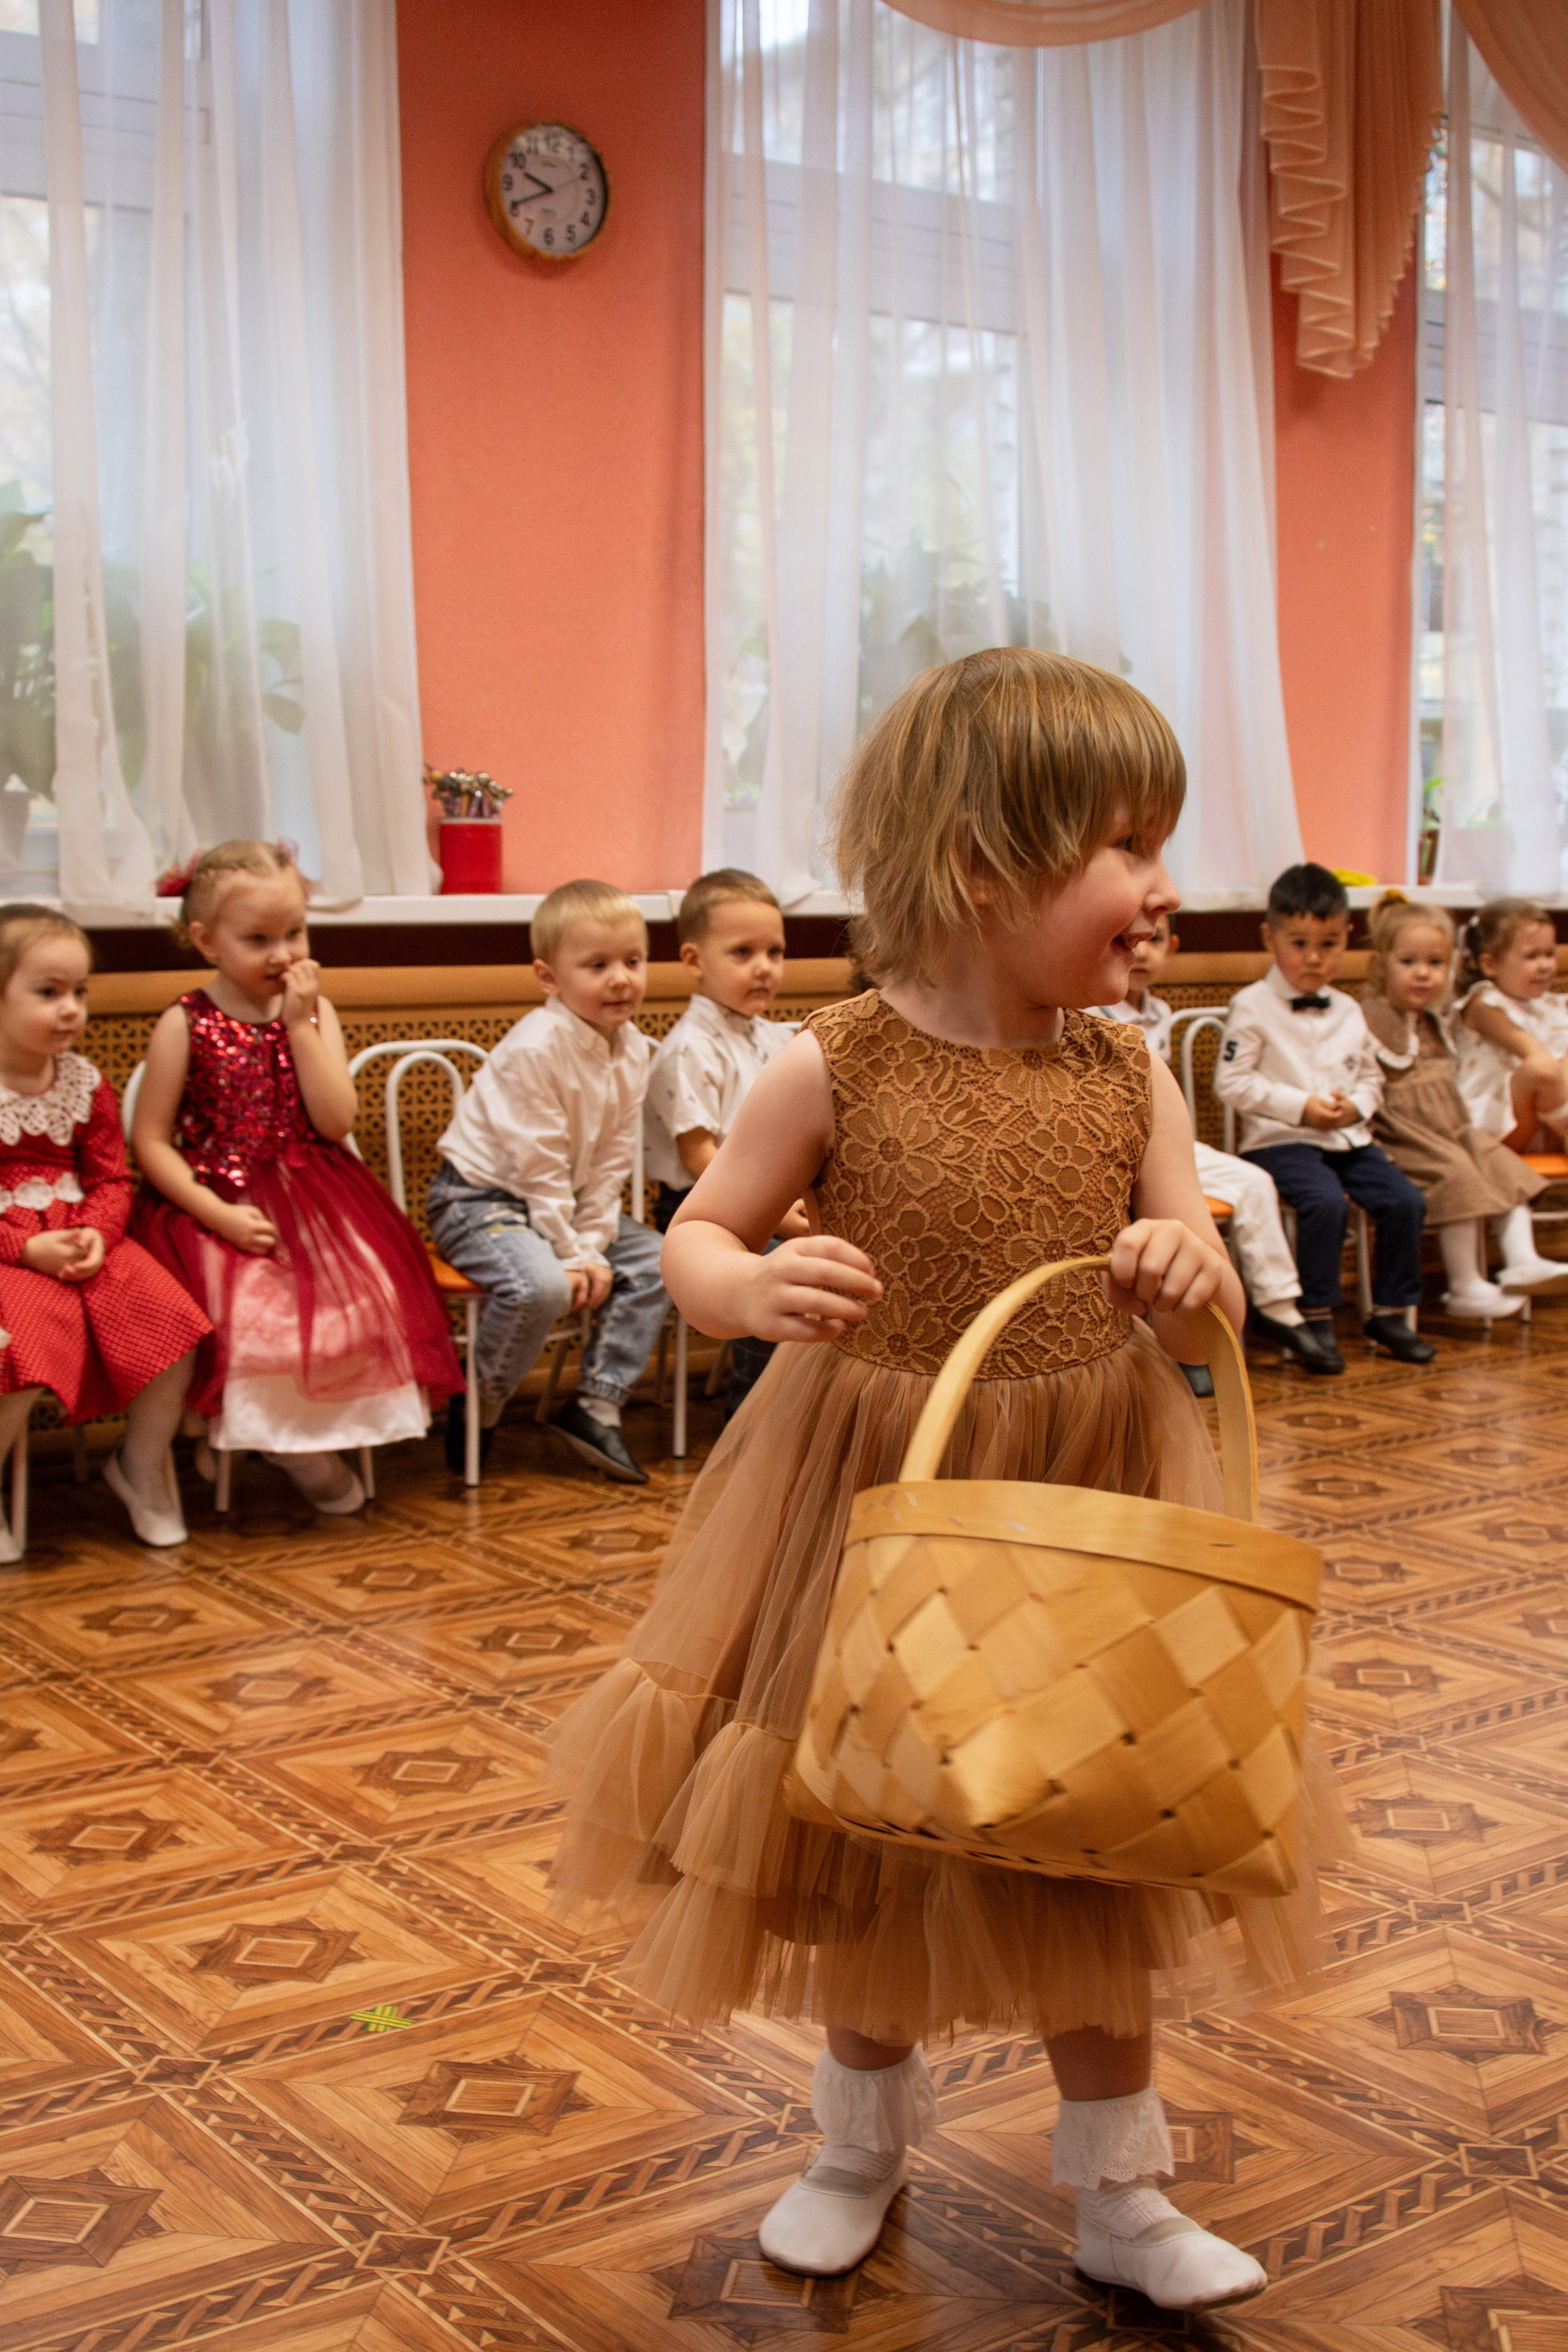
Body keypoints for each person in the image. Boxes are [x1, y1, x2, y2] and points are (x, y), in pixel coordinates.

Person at [550, 650, 1341, 2315]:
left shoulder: (1130, 1071)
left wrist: (1175, 1258)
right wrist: (747, 1291)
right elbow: (696, 1233)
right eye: (1125, 848)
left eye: (1159, 843)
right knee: (870, 1816)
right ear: (986, 867)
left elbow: (1203, 1273)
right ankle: (854, 2145)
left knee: (1093, 1829)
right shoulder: (829, 1063)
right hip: (871, 1490)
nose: (1160, 886)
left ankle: (1120, 2191)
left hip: (1087, 1488)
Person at [132, 842, 461, 1514]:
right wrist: (213, 1211)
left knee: (367, 1305)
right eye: (258, 939)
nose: (283, 953)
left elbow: (337, 1119)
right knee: (258, 1317)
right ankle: (285, 1447)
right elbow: (150, 1141)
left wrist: (300, 1030)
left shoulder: (315, 1013)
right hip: (211, 1203)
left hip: (317, 1198)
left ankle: (273, 1437)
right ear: (206, 942)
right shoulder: (184, 1022)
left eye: (295, 933)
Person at [428, 878, 666, 1485]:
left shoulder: (635, 1048)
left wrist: (589, 1246)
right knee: (541, 1288)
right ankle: (479, 1402)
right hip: (478, 1201)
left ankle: (595, 1404)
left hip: (565, 1204)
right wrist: (570, 1255)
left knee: (664, 1261)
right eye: (597, 965)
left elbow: (613, 1159)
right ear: (548, 977)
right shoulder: (537, 1047)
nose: (621, 979)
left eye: (633, 961)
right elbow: (539, 1165)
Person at [0, 905, 211, 1555]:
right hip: (10, 1251)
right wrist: (23, 1246)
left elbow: (113, 1178)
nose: (71, 1009)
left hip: (81, 1239)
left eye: (80, 992)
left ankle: (142, 1465)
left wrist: (97, 1233)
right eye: (48, 993)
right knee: (22, 1346)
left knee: (173, 1323)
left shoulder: (84, 1083)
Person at [1214, 864, 1434, 1370]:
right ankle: (1315, 1316)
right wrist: (1301, 1107)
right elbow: (1231, 1083)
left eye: (1329, 945)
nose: (1314, 958)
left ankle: (1390, 1312)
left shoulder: (1348, 1009)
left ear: (1347, 940)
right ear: (1270, 937)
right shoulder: (1251, 1005)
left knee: (1405, 1201)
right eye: (1299, 944)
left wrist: (1355, 1106)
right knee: (1325, 1204)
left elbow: (1372, 1079)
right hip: (1279, 1141)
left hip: (1347, 1138)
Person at [1099, 911, 1338, 1374]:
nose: (1143, 952)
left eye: (1155, 940)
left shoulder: (1161, 1013)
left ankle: (1277, 1305)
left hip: (1171, 1141)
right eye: (1125, 939)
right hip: (1128, 1144)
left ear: (1173, 947)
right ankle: (1184, 1346)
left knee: (1254, 1182)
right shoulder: (1097, 1012)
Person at [644, 868, 804, 1416]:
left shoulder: (777, 1037)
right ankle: (755, 1422)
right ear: (693, 960)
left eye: (775, 952)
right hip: (700, 1215)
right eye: (743, 953)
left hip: (770, 1204)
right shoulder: (691, 1048)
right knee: (782, 1277)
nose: (764, 968)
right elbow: (700, 1158)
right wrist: (781, 1216)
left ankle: (813, 1412)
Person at [1361, 893, 1562, 1312]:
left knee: (1501, 1165)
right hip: (1406, 1132)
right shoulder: (1371, 1016)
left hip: (1451, 1125)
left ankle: (1521, 1261)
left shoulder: (1438, 1017)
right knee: (1459, 1174)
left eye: (1435, 964)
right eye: (1409, 963)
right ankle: (1465, 1283)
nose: (1424, 975)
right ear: (1381, 967)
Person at [1453, 898, 1568, 1155]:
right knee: (1542, 1068)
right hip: (1496, 1127)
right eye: (1531, 956)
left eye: (1550, 954)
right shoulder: (1483, 1004)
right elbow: (1538, 1058)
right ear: (1490, 964)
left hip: (1544, 1120)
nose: (1545, 965)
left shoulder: (1547, 1003)